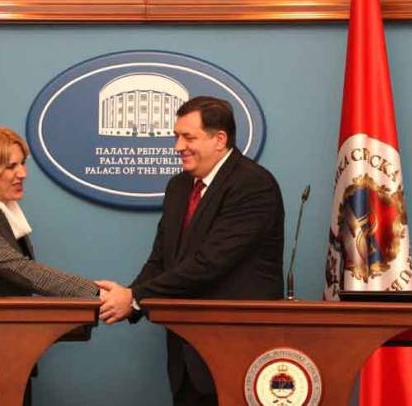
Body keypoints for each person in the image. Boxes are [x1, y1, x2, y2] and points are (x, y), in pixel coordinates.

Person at [97, 96, 285, 406]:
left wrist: (134, 297)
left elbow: (209, 263)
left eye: (188, 137)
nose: (178, 146)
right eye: (176, 136)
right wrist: (129, 299)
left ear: (219, 139)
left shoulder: (253, 184)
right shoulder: (179, 187)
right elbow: (162, 259)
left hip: (236, 351)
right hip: (185, 354)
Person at [0, 125, 99, 298]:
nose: (23, 173)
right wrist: (95, 292)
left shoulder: (2, 212)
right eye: (11, 166)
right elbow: (21, 269)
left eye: (22, 163)